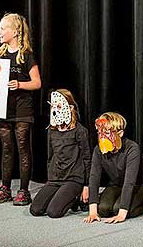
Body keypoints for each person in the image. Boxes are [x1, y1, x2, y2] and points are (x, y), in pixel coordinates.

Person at [0, 13, 41, 206]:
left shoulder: (26, 55)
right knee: (7, 149)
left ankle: (24, 190)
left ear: (15, 31)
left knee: (22, 148)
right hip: (3, 109)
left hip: (22, 110)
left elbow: (36, 83)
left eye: (3, 28)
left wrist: (19, 84)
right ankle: (5, 188)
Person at [83, 112, 143, 224]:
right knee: (102, 209)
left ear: (120, 133)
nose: (102, 137)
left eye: (107, 133)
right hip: (117, 184)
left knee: (119, 210)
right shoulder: (98, 150)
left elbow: (130, 182)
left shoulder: (132, 148)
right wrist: (92, 211)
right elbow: (94, 177)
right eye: (100, 133)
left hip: (140, 184)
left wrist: (122, 214)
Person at [29, 89, 91, 217]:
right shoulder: (52, 131)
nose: (55, 110)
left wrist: (87, 185)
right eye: (53, 106)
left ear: (69, 107)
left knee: (54, 212)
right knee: (36, 210)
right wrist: (50, 177)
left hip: (73, 178)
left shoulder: (80, 131)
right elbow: (50, 156)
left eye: (58, 106)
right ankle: (61, 196)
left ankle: (74, 199)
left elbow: (87, 158)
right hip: (55, 178)